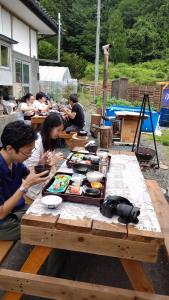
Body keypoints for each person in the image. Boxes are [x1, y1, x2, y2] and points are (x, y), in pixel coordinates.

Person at [0, 121, 49, 240]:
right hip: (3, 221)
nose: (29, 156)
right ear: (9, 148)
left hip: (16, 211)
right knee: (45, 230)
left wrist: (43, 165)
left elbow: (29, 176)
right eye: (27, 152)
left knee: (46, 216)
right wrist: (25, 186)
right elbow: (1, 213)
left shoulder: (15, 162)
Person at [24, 113, 65, 199]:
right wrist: (51, 163)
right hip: (33, 187)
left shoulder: (49, 139)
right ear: (50, 127)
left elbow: (42, 164)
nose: (59, 134)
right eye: (58, 130)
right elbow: (29, 173)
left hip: (44, 179)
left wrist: (46, 162)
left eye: (61, 130)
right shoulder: (37, 142)